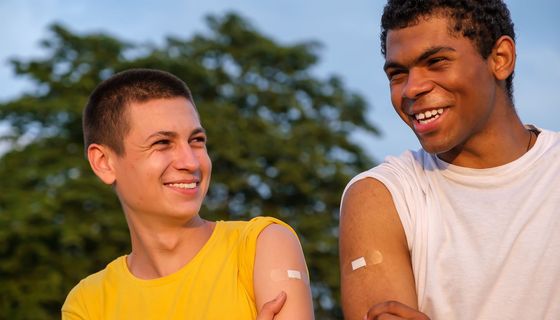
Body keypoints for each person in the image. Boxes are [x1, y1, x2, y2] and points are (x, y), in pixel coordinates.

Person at [339, 0, 560, 319]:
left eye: (437, 61)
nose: (412, 89)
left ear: (500, 59)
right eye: (398, 74)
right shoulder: (382, 196)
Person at [62, 68, 314, 319]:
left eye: (197, 141)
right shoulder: (88, 303)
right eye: (162, 143)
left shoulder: (261, 246)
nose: (191, 162)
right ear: (104, 162)